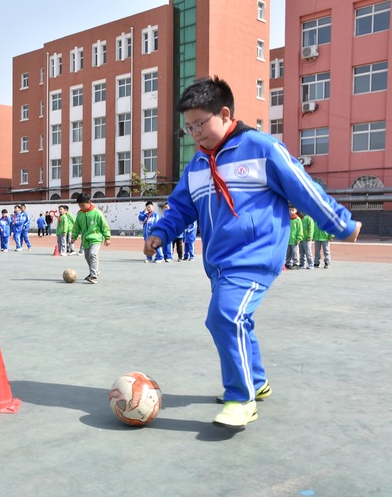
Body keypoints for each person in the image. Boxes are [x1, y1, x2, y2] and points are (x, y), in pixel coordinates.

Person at [144, 76, 361, 429]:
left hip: (256, 256)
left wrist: (342, 223)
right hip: (218, 264)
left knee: (224, 317)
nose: (195, 133)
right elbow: (181, 208)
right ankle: (257, 382)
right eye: (189, 128)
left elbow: (303, 188)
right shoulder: (197, 166)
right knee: (237, 319)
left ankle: (240, 398)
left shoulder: (261, 148)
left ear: (225, 113)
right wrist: (160, 233)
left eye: (201, 124)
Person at [71, 193, 111, 284]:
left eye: (83, 205)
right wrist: (74, 236)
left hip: (96, 239)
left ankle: (93, 276)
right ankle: (95, 271)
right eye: (79, 205)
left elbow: (104, 226)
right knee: (87, 256)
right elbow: (76, 227)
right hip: (85, 240)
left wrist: (107, 237)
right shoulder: (80, 214)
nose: (81, 207)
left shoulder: (97, 213)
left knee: (93, 254)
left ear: (89, 202)